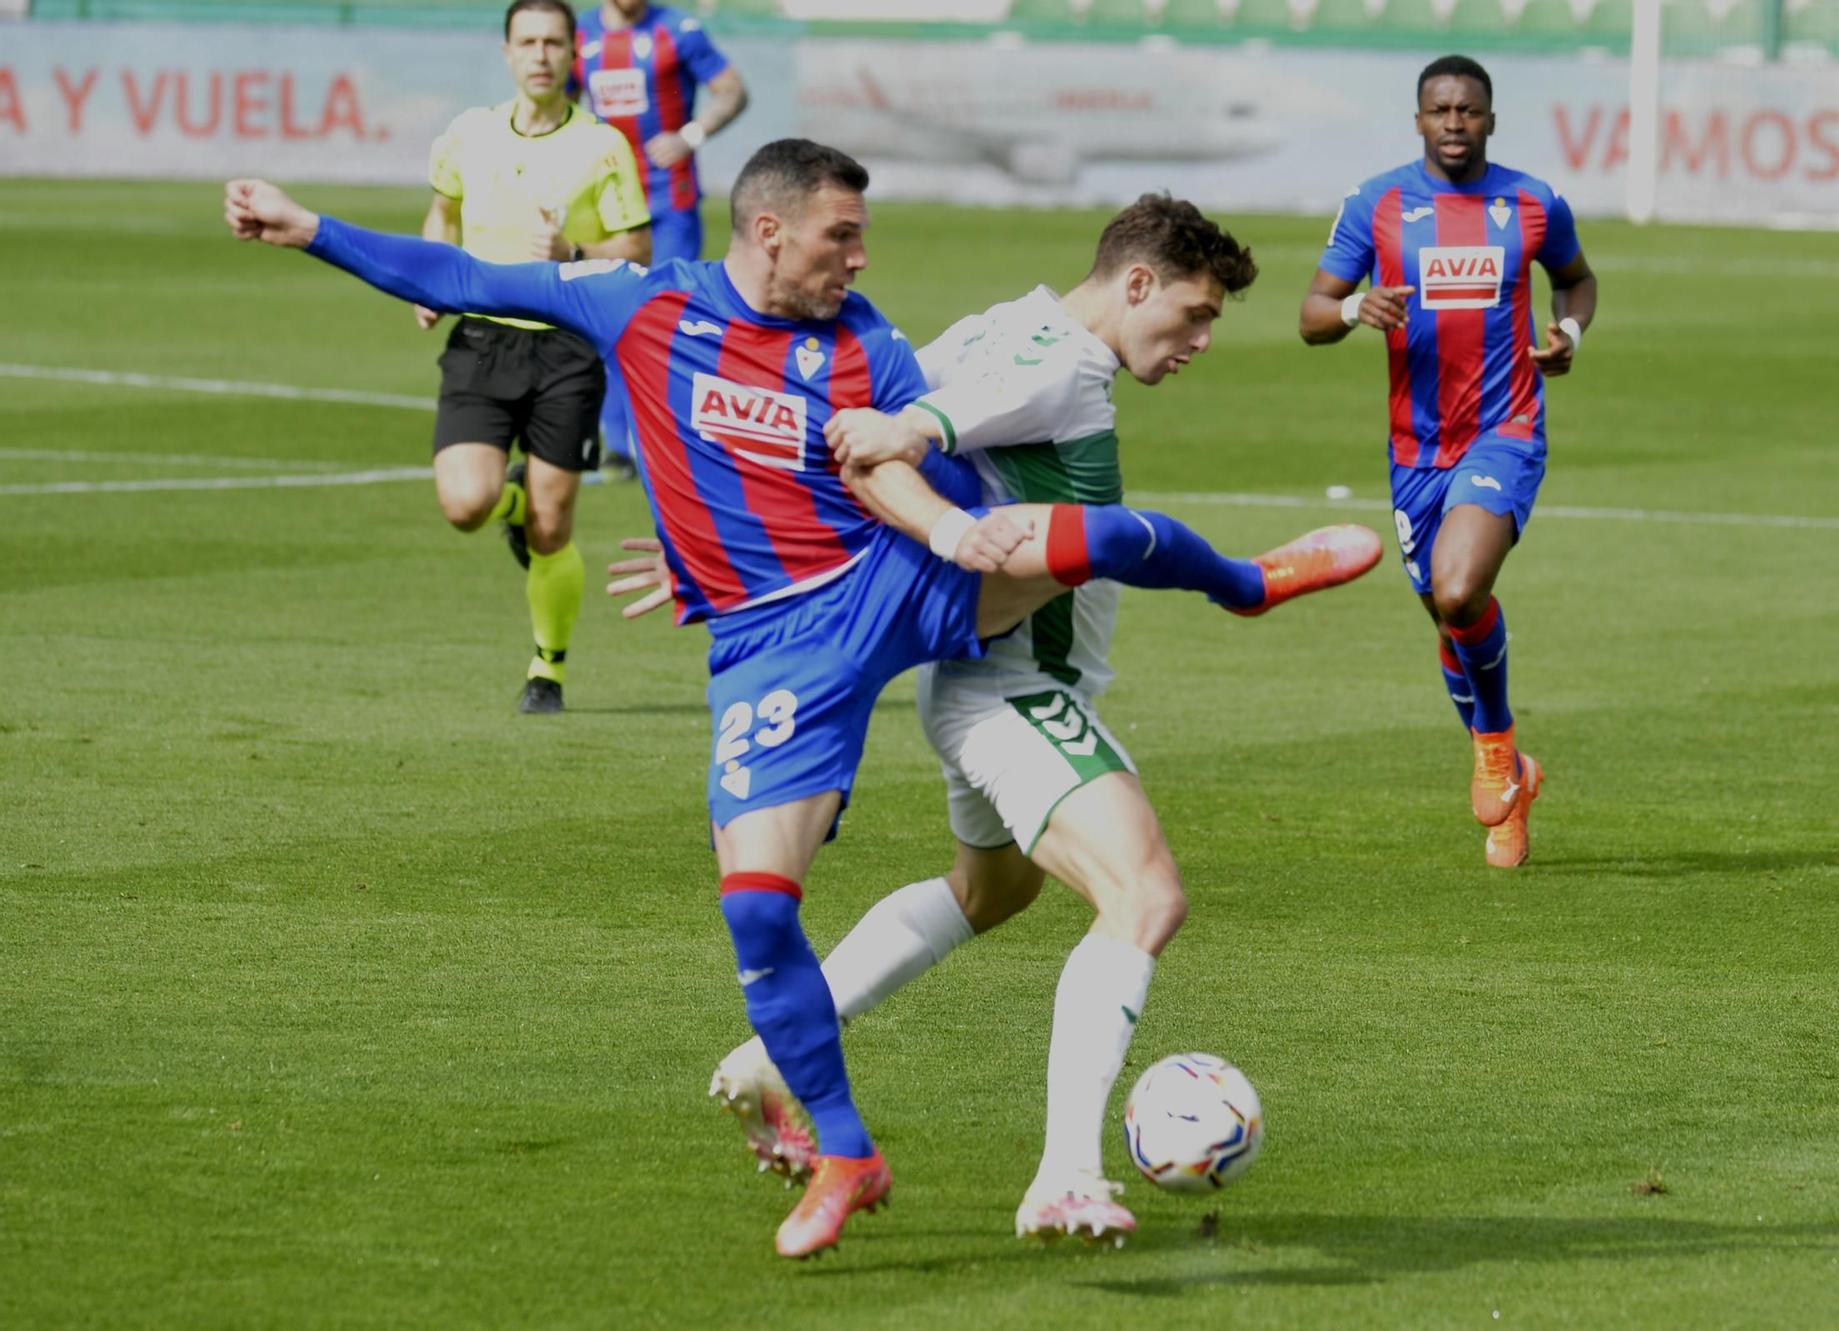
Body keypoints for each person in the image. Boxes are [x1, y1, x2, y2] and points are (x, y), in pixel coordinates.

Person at [225, 139, 1369, 1258]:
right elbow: (472, 278)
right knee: (797, 904)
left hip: (892, 586)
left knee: (995, 881)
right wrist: (309, 228)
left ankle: (803, 1058)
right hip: (823, 650)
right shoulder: (658, 306)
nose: (862, 258)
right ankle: (964, 1158)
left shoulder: (880, 336)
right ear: (768, 230)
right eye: (843, 235)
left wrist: (898, 508)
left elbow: (891, 441)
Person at [701, 195, 1378, 1247]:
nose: (1199, 342)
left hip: (973, 676)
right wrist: (923, 462)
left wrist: (742, 539)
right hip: (1012, 688)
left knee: (992, 888)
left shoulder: (996, 323)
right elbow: (905, 432)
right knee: (1143, 895)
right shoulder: (1057, 364)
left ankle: (767, 1054)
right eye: (1193, 315)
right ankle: (1063, 1173)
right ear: (1137, 282)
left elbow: (873, 423)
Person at [1298, 53, 1598, 868]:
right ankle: (1515, 783)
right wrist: (1355, 306)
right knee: (1446, 613)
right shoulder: (1379, 203)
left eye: (1470, 110)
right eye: (1441, 110)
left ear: (1491, 119)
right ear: (1420, 119)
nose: (1456, 123)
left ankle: (1494, 746)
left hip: (1505, 428)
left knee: (1463, 586)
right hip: (1415, 450)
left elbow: (1577, 280)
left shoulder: (1532, 202)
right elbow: (1311, 313)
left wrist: (1569, 333)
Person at [415, 0, 652, 713]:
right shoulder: (468, 135)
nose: (541, 54)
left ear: (573, 52)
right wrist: (430, 275)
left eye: (554, 42)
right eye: (528, 42)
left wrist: (572, 253)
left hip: (566, 344)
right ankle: (511, 504)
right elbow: (442, 211)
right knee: (465, 504)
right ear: (508, 53)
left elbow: (637, 250)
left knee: (555, 528)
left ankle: (547, 669)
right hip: (482, 340)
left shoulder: (604, 146)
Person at [573, 0, 748, 478]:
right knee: (612, 311)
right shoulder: (579, 34)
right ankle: (616, 445)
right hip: (606, 202)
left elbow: (732, 91)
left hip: (671, 201)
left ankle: (677, 442)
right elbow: (562, 108)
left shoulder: (678, 30)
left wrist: (689, 136)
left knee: (666, 317)